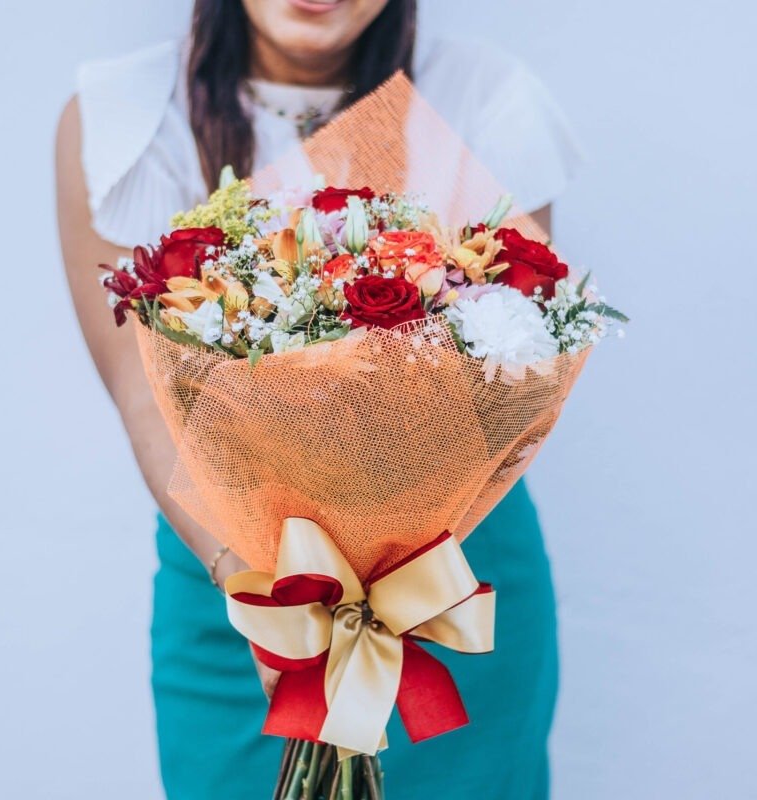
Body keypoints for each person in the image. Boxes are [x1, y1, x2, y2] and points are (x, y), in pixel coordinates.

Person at [56, 1, 582, 797]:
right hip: (231, 585)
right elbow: (143, 395)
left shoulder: (486, 98)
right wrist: (254, 585)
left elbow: (507, 362)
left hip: (449, 577)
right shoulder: (125, 117)